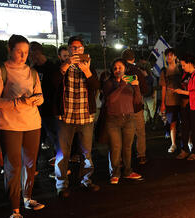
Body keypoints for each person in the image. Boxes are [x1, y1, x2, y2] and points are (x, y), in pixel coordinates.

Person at [0, 34, 45, 218]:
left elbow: (40, 97)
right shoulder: (0, 70)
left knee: (30, 164)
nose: (23, 56)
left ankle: (28, 198)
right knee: (14, 167)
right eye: (19, 51)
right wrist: (17, 102)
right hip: (10, 125)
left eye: (26, 52)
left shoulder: (33, 72)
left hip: (32, 123)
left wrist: (37, 100)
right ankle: (15, 211)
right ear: (9, 49)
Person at [53, 36, 101, 198]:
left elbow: (96, 86)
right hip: (65, 116)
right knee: (62, 153)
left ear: (83, 50)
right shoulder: (60, 67)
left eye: (79, 48)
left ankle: (86, 180)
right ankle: (61, 185)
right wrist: (66, 65)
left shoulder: (89, 67)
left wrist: (87, 71)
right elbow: (52, 85)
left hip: (85, 116)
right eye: (73, 47)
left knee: (86, 152)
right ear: (68, 49)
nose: (76, 50)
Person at [103, 59, 144, 184]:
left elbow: (137, 101)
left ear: (125, 69)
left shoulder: (130, 82)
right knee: (116, 147)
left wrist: (136, 86)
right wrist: (122, 85)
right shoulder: (109, 83)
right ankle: (115, 173)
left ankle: (128, 171)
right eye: (115, 68)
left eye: (120, 67)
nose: (117, 70)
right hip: (113, 119)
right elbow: (110, 100)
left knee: (127, 147)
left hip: (129, 118)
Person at [29, 42, 60, 160]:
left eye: (29, 53)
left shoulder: (52, 67)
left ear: (36, 53)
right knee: (36, 139)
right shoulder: (33, 69)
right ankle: (35, 167)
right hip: (36, 110)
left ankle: (60, 165)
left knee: (55, 137)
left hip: (49, 109)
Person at [173, 53, 195, 160]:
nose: (183, 67)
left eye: (184, 65)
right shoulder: (186, 74)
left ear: (190, 63)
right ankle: (184, 150)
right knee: (185, 128)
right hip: (185, 105)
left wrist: (182, 91)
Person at [122, 49, 148, 165]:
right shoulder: (137, 72)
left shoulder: (118, 70)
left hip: (122, 107)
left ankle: (123, 158)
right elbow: (145, 89)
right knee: (140, 132)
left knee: (124, 134)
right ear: (133, 59)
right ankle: (141, 155)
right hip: (136, 106)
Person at [159, 48, 182, 153]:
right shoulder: (164, 71)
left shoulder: (181, 68)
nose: (169, 57)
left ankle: (188, 142)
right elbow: (163, 87)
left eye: (171, 55)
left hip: (182, 99)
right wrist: (163, 103)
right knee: (172, 122)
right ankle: (173, 144)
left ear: (175, 56)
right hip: (170, 101)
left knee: (185, 122)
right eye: (167, 55)